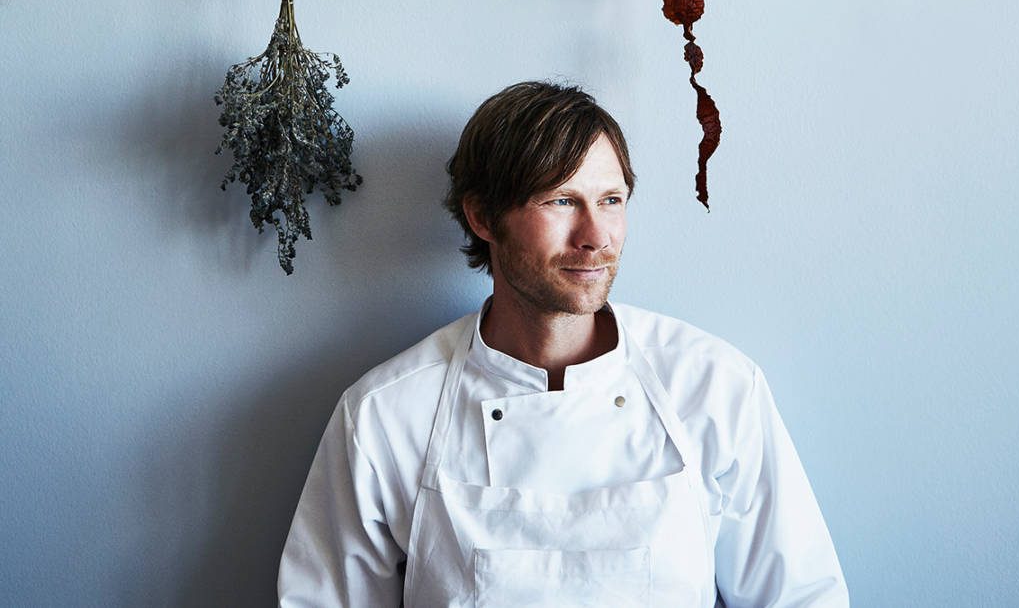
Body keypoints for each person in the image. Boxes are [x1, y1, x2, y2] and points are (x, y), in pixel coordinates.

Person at [278, 81, 849, 607]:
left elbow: (804, 599)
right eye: (561, 201)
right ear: (482, 216)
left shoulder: (715, 388)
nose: (596, 237)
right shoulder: (385, 415)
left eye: (611, 200)